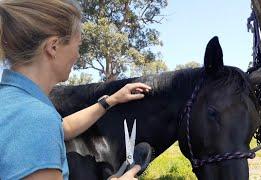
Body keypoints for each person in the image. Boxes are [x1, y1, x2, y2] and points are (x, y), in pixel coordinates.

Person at [0, 0, 151, 180]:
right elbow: (43, 125)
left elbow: (64, 127)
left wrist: (111, 100)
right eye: (77, 45)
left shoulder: (13, 102)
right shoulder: (35, 119)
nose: (78, 55)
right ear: (53, 47)